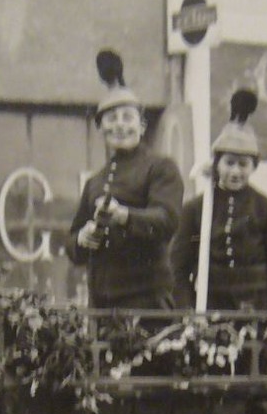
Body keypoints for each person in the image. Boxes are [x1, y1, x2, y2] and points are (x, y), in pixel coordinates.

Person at [67, 50, 183, 310]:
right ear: (102, 129)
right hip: (103, 304)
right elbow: (72, 243)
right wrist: (81, 239)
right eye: (111, 119)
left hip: (148, 301)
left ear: (141, 126)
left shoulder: (160, 168)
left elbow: (168, 220)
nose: (120, 125)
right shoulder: (95, 181)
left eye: (127, 118)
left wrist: (124, 216)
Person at [171, 89, 267, 312]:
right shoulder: (195, 209)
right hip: (207, 312)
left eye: (243, 164)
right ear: (217, 163)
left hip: (255, 313)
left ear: (253, 166)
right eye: (229, 162)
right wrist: (187, 312)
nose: (235, 171)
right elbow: (177, 268)